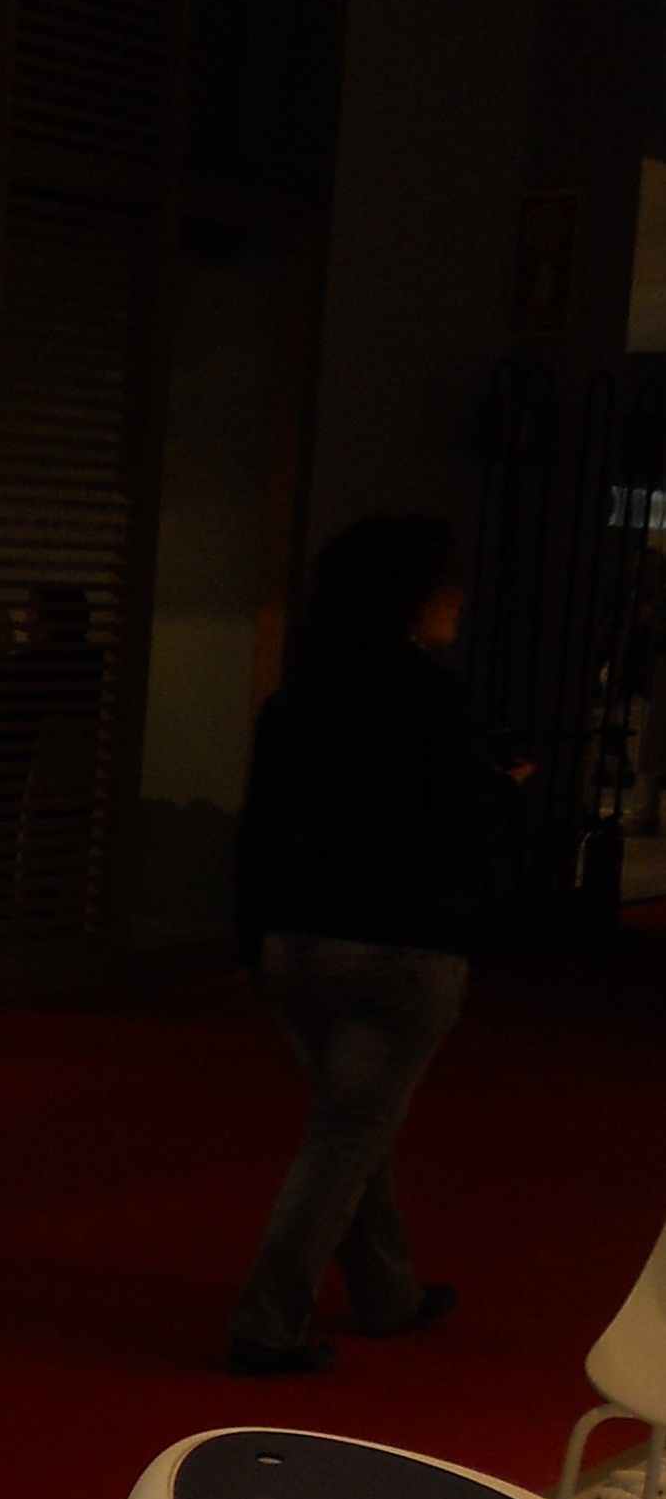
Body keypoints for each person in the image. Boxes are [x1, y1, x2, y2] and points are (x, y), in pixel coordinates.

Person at [226, 511, 518, 1377]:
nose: (456, 598)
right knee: (345, 1135)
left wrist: (250, 942)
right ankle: (266, 1323)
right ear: (410, 599)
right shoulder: (437, 701)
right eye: (444, 584)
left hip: (294, 943)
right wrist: (505, 794)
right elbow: (464, 826)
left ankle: (388, 1292)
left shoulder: (295, 702)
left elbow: (259, 831)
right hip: (400, 945)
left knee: (352, 1128)